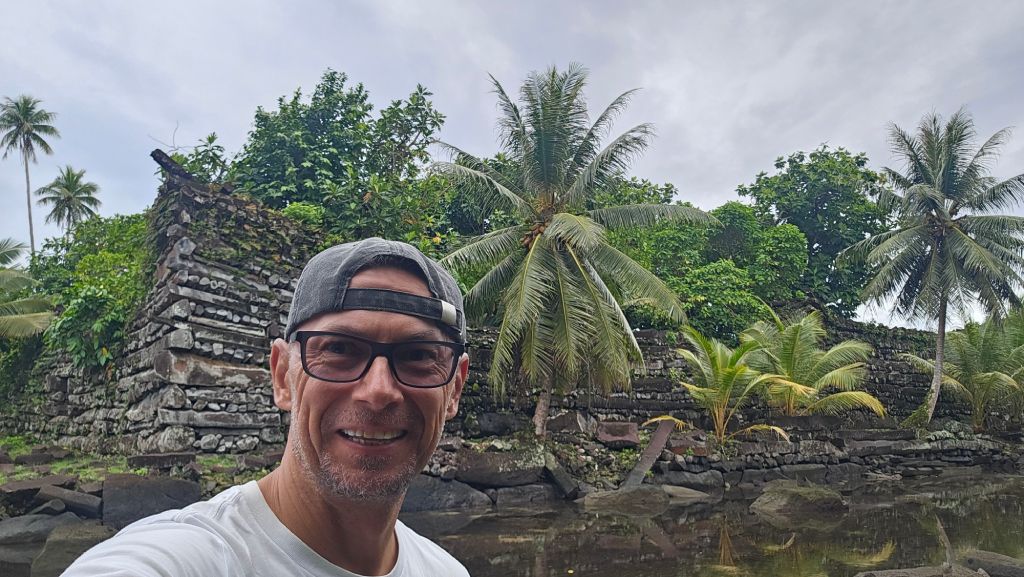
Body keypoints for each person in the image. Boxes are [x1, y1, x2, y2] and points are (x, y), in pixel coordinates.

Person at [62, 238, 471, 576]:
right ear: (282, 376)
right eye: (339, 349)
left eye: (418, 355)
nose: (378, 391)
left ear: (454, 389)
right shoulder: (193, 558)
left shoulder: (447, 572)